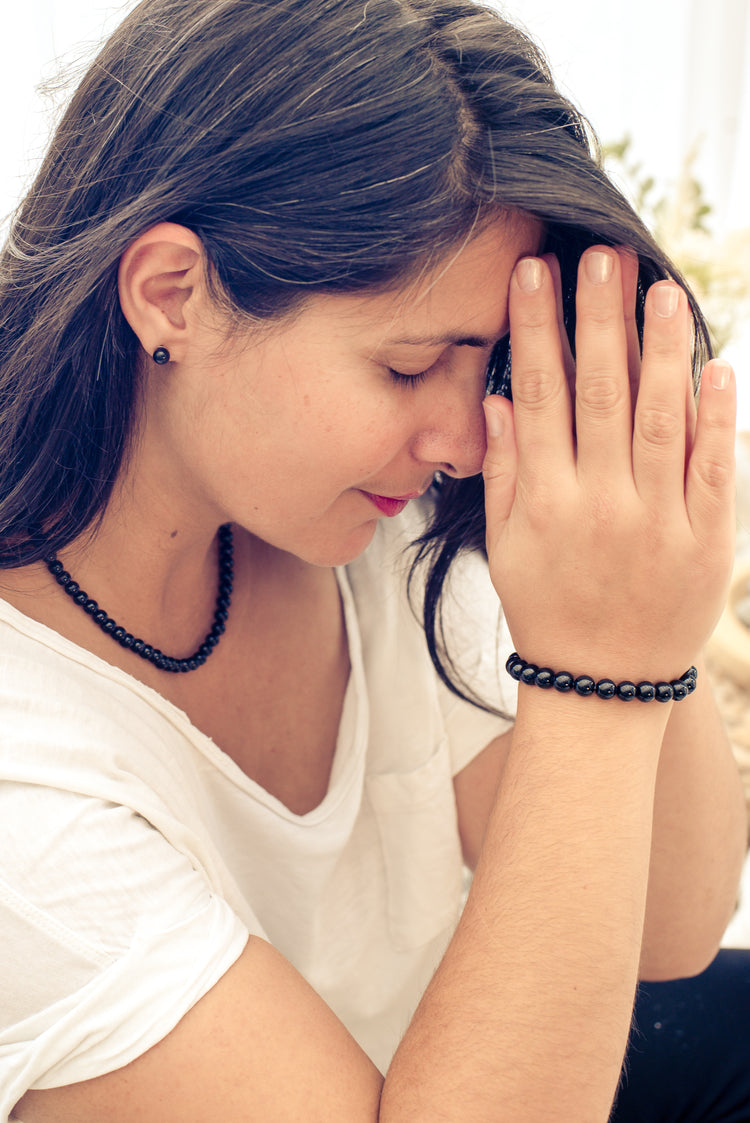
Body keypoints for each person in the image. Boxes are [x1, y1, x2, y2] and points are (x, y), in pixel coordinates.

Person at [0, 0, 748, 1119]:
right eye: (407, 368)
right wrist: (603, 666)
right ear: (172, 295)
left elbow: (670, 929)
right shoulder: (24, 770)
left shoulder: (371, 521)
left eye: (484, 365)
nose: (456, 442)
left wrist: (638, 599)